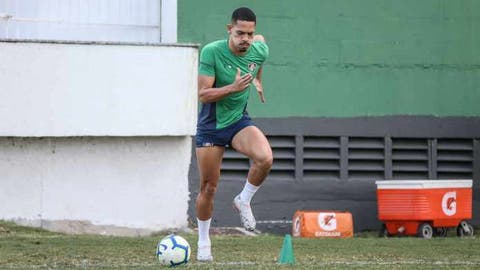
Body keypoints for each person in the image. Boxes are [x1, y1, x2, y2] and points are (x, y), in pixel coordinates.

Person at [194, 7, 272, 262]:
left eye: (249, 34)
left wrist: (258, 79)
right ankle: (204, 241)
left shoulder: (258, 48)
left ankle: (244, 199)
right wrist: (233, 87)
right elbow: (203, 94)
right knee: (208, 187)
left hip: (238, 121)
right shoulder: (211, 51)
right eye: (240, 33)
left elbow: (261, 47)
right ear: (230, 30)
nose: (245, 39)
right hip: (212, 125)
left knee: (265, 158)